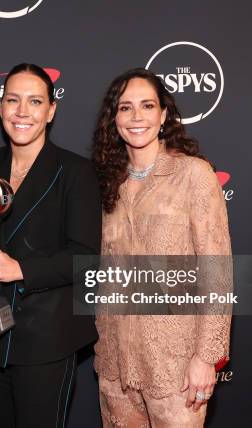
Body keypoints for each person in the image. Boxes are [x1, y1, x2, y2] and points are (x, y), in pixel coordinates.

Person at [0, 63, 102, 428]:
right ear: (1, 107)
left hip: (47, 340)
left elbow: (86, 258)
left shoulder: (76, 172)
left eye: (35, 101)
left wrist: (19, 269)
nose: (22, 112)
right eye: (13, 100)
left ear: (51, 110)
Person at [92, 68, 232, 427]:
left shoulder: (194, 175)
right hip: (115, 366)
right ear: (114, 118)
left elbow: (217, 273)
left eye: (147, 105)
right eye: (125, 108)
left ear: (164, 115)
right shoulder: (107, 183)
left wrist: (206, 357)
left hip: (177, 367)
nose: (137, 117)